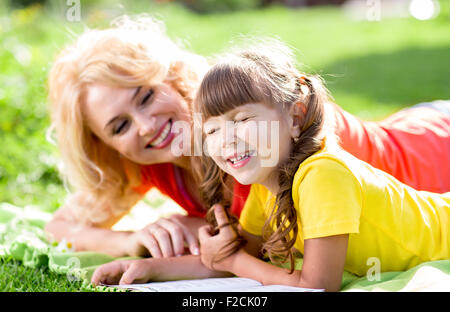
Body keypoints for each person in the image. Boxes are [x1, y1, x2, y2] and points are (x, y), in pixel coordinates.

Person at [46, 15, 450, 261]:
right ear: (106, 146)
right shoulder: (146, 162)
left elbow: (259, 248)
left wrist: (194, 224)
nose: (146, 126)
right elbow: (62, 228)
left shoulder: (250, 128)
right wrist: (130, 239)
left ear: (172, 77)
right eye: (119, 127)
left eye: (146, 96)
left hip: (436, 148)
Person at [194, 42, 450, 291]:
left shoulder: (323, 174)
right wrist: (156, 268)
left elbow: (317, 286)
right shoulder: (266, 183)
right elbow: (231, 256)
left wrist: (233, 261)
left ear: (295, 117)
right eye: (212, 130)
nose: (226, 139)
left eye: (242, 119)